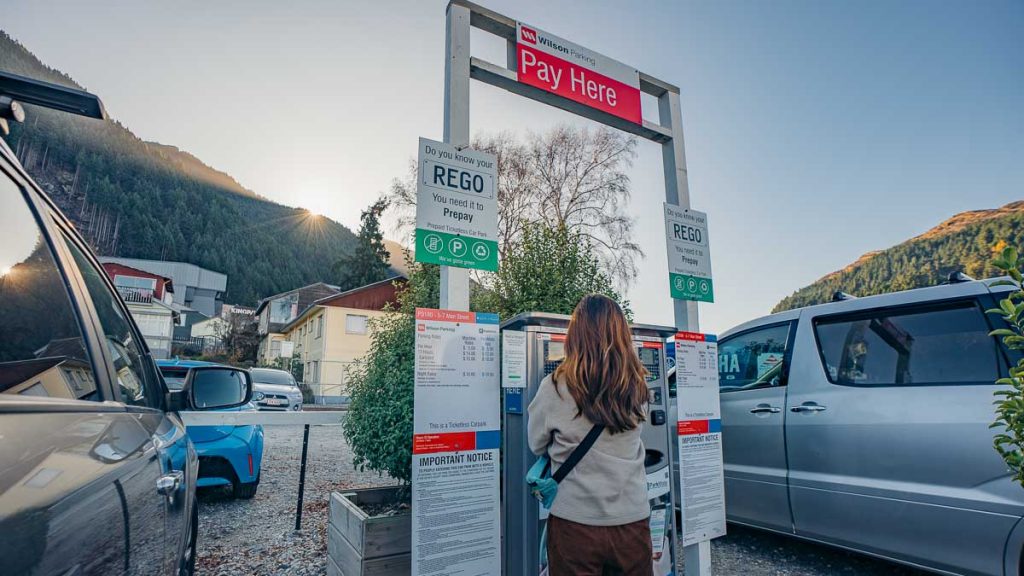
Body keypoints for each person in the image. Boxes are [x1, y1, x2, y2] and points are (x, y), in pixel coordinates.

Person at [528, 294, 653, 575]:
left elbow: (536, 443)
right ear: (621, 334)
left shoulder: (556, 386)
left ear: (575, 334)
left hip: (575, 524)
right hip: (632, 523)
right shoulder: (638, 387)